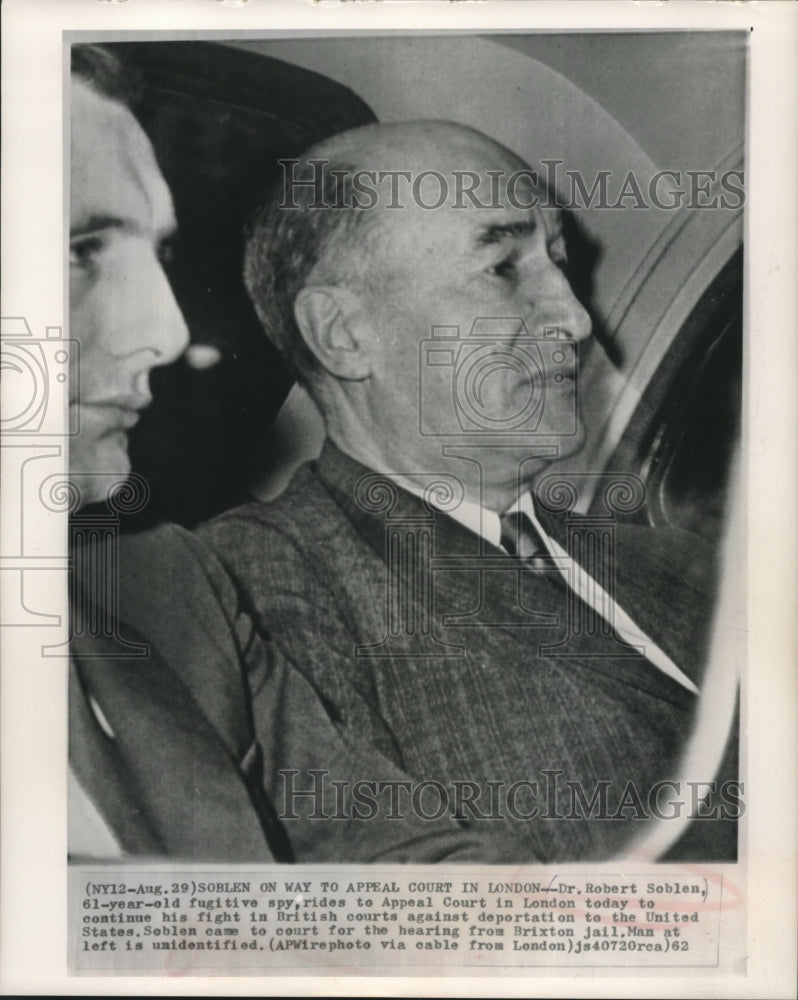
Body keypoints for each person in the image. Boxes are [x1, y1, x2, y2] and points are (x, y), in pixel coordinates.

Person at [197, 120, 730, 861]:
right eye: (504, 270)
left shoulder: (681, 563)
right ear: (343, 334)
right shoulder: (253, 585)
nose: (575, 320)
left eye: (560, 263)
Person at [67, 46, 518, 863]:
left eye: (158, 257)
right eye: (81, 251)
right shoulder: (268, 561)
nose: (167, 335)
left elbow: (402, 860)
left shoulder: (167, 595)